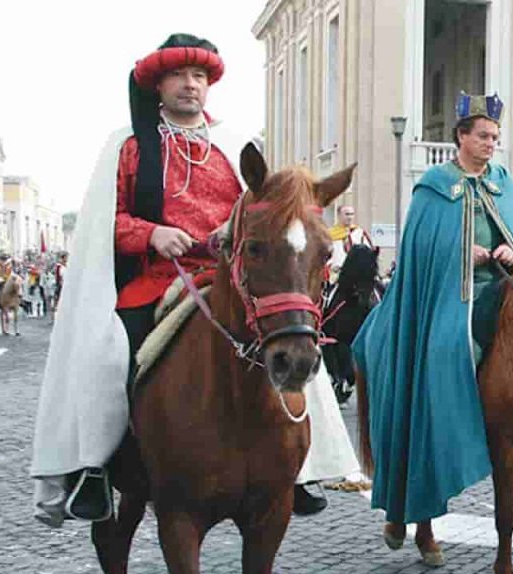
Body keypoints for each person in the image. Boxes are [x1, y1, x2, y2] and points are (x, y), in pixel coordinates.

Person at [30, 33, 359, 528]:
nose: (190, 85)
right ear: (158, 84)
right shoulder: (128, 144)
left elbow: (259, 215)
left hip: (226, 275)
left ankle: (301, 465)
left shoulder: (234, 145)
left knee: (290, 335)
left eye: (200, 77)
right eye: (180, 76)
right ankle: (93, 467)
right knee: (109, 351)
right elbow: (105, 221)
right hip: (154, 279)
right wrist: (152, 233)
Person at [352, 92, 513, 566]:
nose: (492, 144)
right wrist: (459, 252)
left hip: (507, 287)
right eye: (483, 136)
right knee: (444, 355)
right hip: (453, 294)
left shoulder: (502, 183)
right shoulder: (434, 187)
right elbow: (421, 251)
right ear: (461, 138)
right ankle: (421, 486)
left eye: (495, 137)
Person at [326, 205, 374, 284]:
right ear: (339, 215)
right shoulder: (329, 234)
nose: (350, 217)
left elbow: (369, 252)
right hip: (336, 274)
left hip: (358, 274)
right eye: (347, 214)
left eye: (352, 214)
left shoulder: (360, 233)